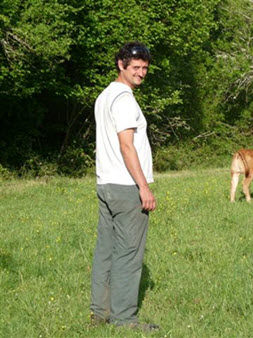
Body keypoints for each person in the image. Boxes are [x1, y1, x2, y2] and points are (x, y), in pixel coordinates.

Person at [90, 41, 159, 332]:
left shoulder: (104, 96)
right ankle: (123, 319)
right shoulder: (124, 99)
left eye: (144, 68)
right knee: (129, 254)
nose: (141, 73)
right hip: (125, 186)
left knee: (105, 250)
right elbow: (126, 146)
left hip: (106, 183)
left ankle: (99, 313)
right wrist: (143, 187)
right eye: (135, 68)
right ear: (121, 65)